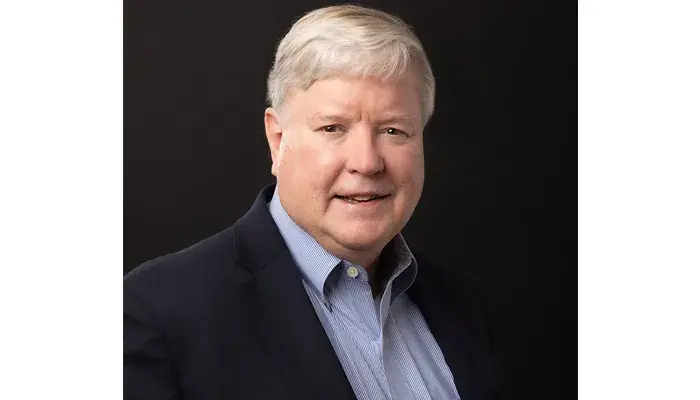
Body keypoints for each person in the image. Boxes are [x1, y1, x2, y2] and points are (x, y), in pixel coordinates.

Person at [124, 4, 499, 399]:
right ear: (278, 140)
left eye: (393, 130)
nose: (367, 162)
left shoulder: (460, 309)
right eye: (333, 128)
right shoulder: (157, 316)